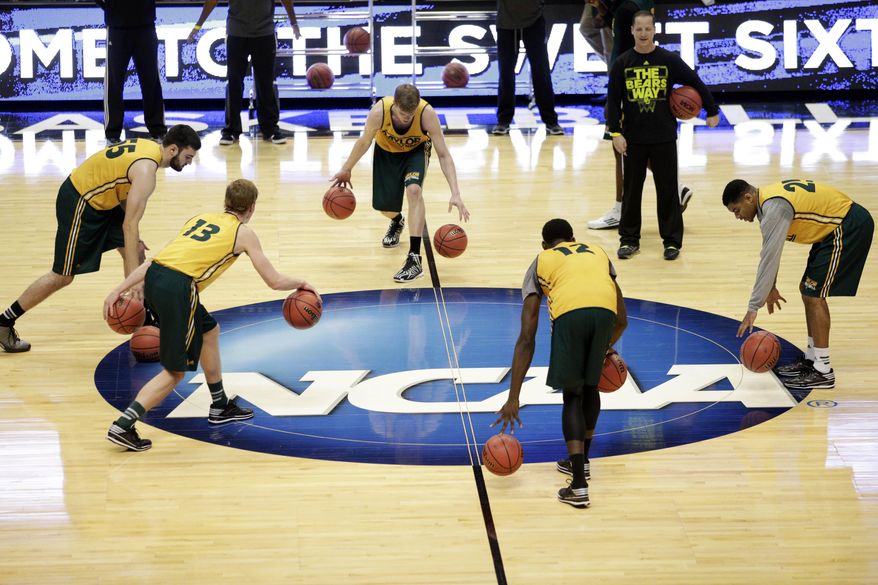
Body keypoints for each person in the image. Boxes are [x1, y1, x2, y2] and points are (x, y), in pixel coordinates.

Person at [104, 179, 320, 451]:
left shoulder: (200, 219)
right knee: (174, 372)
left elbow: (152, 262)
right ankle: (123, 425)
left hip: (157, 278)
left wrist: (119, 288)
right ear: (252, 207)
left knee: (209, 331)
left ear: (226, 202)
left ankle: (220, 405)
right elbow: (274, 281)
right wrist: (303, 283)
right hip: (179, 288)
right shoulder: (243, 233)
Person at [0, 125, 202, 353]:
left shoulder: (148, 148)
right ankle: (4, 322)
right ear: (173, 149)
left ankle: (143, 321)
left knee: (135, 250)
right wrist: (135, 281)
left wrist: (134, 243)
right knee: (62, 276)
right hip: (81, 200)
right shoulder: (147, 171)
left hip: (104, 200)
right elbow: (129, 225)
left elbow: (122, 187)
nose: (189, 163)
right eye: (188, 157)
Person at [493, 218, 628, 508]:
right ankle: (581, 461)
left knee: (573, 394)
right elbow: (622, 319)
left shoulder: (541, 260)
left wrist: (513, 397)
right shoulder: (598, 251)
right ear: (573, 238)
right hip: (605, 314)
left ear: (545, 245)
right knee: (590, 386)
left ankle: (578, 485)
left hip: (570, 317)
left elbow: (527, 337)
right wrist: (604, 348)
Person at [722, 179, 874, 390]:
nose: (738, 216)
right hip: (830, 230)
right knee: (808, 291)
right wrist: (771, 286)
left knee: (814, 295)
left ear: (749, 197)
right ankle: (812, 360)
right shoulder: (767, 205)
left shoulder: (774, 209)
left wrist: (753, 307)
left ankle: (823, 370)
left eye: (737, 210)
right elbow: (771, 252)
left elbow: (768, 258)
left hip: (847, 226)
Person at [606, 10, 719, 261]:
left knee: (667, 191)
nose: (644, 33)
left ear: (654, 30)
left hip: (664, 136)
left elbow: (695, 81)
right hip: (633, 138)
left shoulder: (668, 59)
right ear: (632, 31)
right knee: (631, 192)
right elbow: (613, 101)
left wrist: (712, 110)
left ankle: (671, 241)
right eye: (639, 29)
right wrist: (615, 132)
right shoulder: (623, 63)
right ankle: (629, 240)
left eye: (648, 29)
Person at [329, 83, 470, 283]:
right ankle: (397, 220)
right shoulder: (379, 112)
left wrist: (455, 193)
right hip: (386, 153)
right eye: (404, 113)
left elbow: (444, 154)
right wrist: (347, 168)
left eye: (411, 113)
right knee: (384, 207)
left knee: (414, 191)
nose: (407, 117)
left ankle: (414, 258)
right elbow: (364, 141)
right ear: (394, 104)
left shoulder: (426, 113)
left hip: (415, 152)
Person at [187, 0, 300, 145]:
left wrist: (294, 23)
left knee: (265, 83)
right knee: (234, 82)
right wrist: (198, 25)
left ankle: (270, 129)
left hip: (264, 33)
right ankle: (230, 130)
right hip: (236, 34)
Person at [97, 0, 167, 145]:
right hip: (117, 26)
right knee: (114, 82)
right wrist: (109, 6)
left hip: (146, 24)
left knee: (151, 80)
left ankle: (158, 131)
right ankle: (112, 134)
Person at [491, 0, 564, 136]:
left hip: (534, 20)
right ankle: (503, 120)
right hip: (506, 23)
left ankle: (551, 121)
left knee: (541, 72)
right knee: (506, 73)